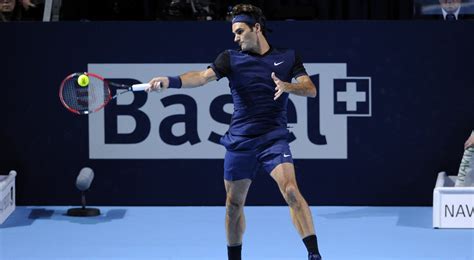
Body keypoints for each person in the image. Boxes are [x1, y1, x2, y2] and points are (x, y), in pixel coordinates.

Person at [146, 4, 322, 260]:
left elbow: (310, 88)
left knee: (292, 191)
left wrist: (287, 86)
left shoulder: (288, 57)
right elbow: (201, 77)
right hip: (240, 142)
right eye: (234, 33)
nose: (236, 38)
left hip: (274, 140)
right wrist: (170, 81)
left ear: (257, 28)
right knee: (233, 206)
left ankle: (314, 255)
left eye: (240, 31)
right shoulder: (230, 58)